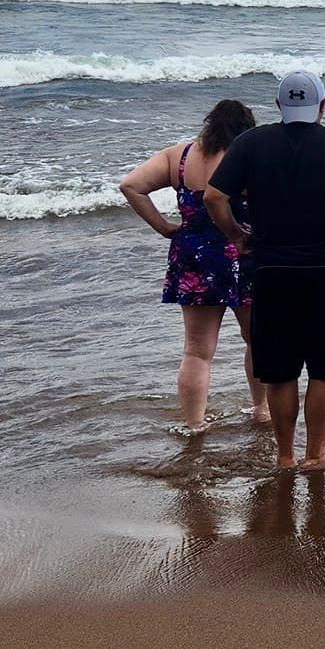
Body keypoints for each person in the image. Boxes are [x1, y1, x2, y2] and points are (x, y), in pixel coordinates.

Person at [206, 70, 325, 473]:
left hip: (271, 271)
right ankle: (315, 455)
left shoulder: (251, 144)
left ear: (278, 106)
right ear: (322, 106)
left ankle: (285, 457)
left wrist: (236, 234)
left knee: (279, 371)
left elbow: (214, 196)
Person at [119, 98, 266, 430]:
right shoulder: (251, 157)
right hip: (246, 256)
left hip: (195, 258)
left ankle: (195, 424)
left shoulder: (180, 156)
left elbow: (131, 185)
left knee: (197, 351)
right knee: (257, 340)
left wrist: (163, 227)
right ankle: (261, 409)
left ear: (209, 125)